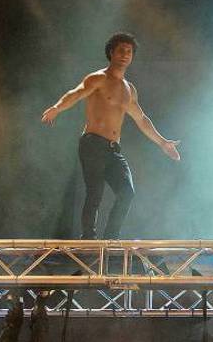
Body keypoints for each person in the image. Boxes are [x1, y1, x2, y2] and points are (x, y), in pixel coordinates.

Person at [41, 32, 181, 239]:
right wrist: (57, 107)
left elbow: (142, 119)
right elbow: (76, 93)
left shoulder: (129, 89)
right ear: (111, 53)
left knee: (127, 192)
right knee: (95, 193)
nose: (125, 55)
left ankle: (110, 239)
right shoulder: (98, 78)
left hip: (113, 149)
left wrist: (163, 142)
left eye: (129, 51)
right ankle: (89, 239)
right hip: (92, 143)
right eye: (121, 50)